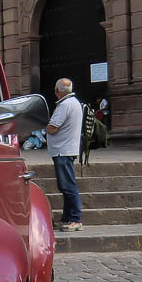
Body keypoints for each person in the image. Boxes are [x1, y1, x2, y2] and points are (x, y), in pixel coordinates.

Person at [45, 78, 84, 231]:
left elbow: (52, 128)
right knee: (66, 185)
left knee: (68, 186)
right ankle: (67, 218)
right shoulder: (73, 102)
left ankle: (75, 218)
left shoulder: (65, 105)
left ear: (57, 90)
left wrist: (44, 125)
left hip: (63, 150)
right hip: (66, 148)